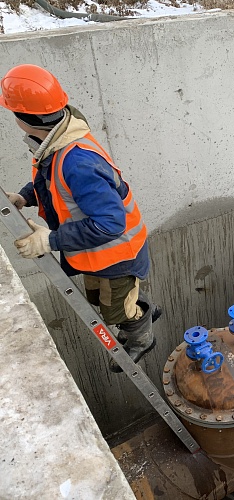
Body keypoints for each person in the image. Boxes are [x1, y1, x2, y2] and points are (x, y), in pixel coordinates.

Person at [0, 64, 161, 373]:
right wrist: (24, 197)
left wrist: (50, 240)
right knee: (98, 300)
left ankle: (141, 336)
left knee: (115, 312)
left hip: (118, 255)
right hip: (96, 253)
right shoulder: (58, 141)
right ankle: (142, 306)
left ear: (23, 118)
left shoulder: (77, 161)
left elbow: (110, 224)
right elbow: (52, 187)